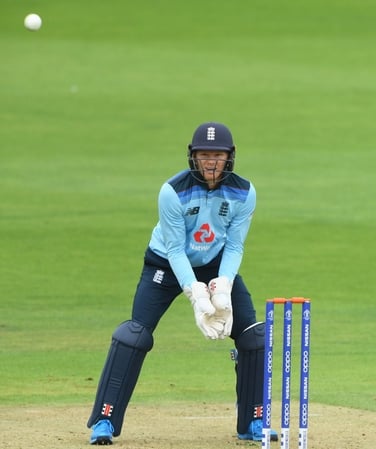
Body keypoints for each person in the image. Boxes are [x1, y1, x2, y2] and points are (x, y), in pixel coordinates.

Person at [86, 122, 271, 445]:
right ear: (193, 157)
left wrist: (223, 284)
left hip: (215, 264)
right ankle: (104, 419)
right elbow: (174, 249)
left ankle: (252, 422)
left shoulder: (245, 192)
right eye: (203, 155)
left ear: (230, 157)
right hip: (166, 265)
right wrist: (195, 294)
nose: (210, 162)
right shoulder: (173, 191)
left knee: (253, 336)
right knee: (134, 335)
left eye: (217, 155)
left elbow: (236, 245)